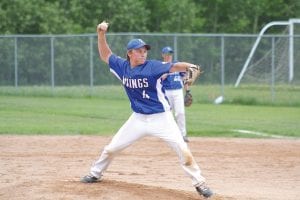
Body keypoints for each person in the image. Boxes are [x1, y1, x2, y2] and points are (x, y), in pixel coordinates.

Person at [81, 21, 213, 198]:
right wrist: (100, 34)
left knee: (183, 150)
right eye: (139, 50)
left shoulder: (153, 66)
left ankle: (200, 183)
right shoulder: (122, 67)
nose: (143, 53)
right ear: (130, 53)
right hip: (138, 119)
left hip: (162, 118)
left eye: (145, 51)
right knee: (111, 148)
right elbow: (106, 55)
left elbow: (175, 65)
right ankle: (95, 173)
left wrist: (191, 67)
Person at [161, 46, 190, 143]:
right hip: (166, 92)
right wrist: (162, 76)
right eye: (167, 54)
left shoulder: (176, 65)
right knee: (168, 115)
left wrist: (188, 91)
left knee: (180, 113)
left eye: (170, 54)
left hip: (178, 91)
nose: (169, 56)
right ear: (163, 55)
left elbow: (185, 77)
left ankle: (183, 135)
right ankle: (169, 135)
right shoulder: (160, 66)